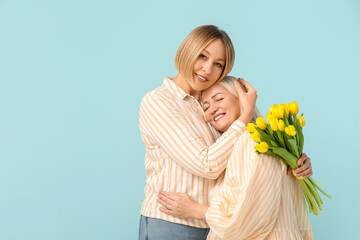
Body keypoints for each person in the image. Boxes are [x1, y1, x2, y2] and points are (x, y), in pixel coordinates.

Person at [139, 25, 312, 240]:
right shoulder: (159, 101)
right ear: (187, 50)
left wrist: (292, 160)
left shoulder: (210, 103)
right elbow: (207, 164)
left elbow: (245, 154)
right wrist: (245, 113)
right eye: (202, 56)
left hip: (219, 226)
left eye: (218, 64)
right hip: (173, 222)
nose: (207, 69)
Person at [157, 76, 314, 240]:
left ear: (242, 100)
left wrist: (194, 209)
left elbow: (251, 216)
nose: (212, 109)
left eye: (218, 99)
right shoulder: (257, 143)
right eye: (206, 106)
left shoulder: (253, 141)